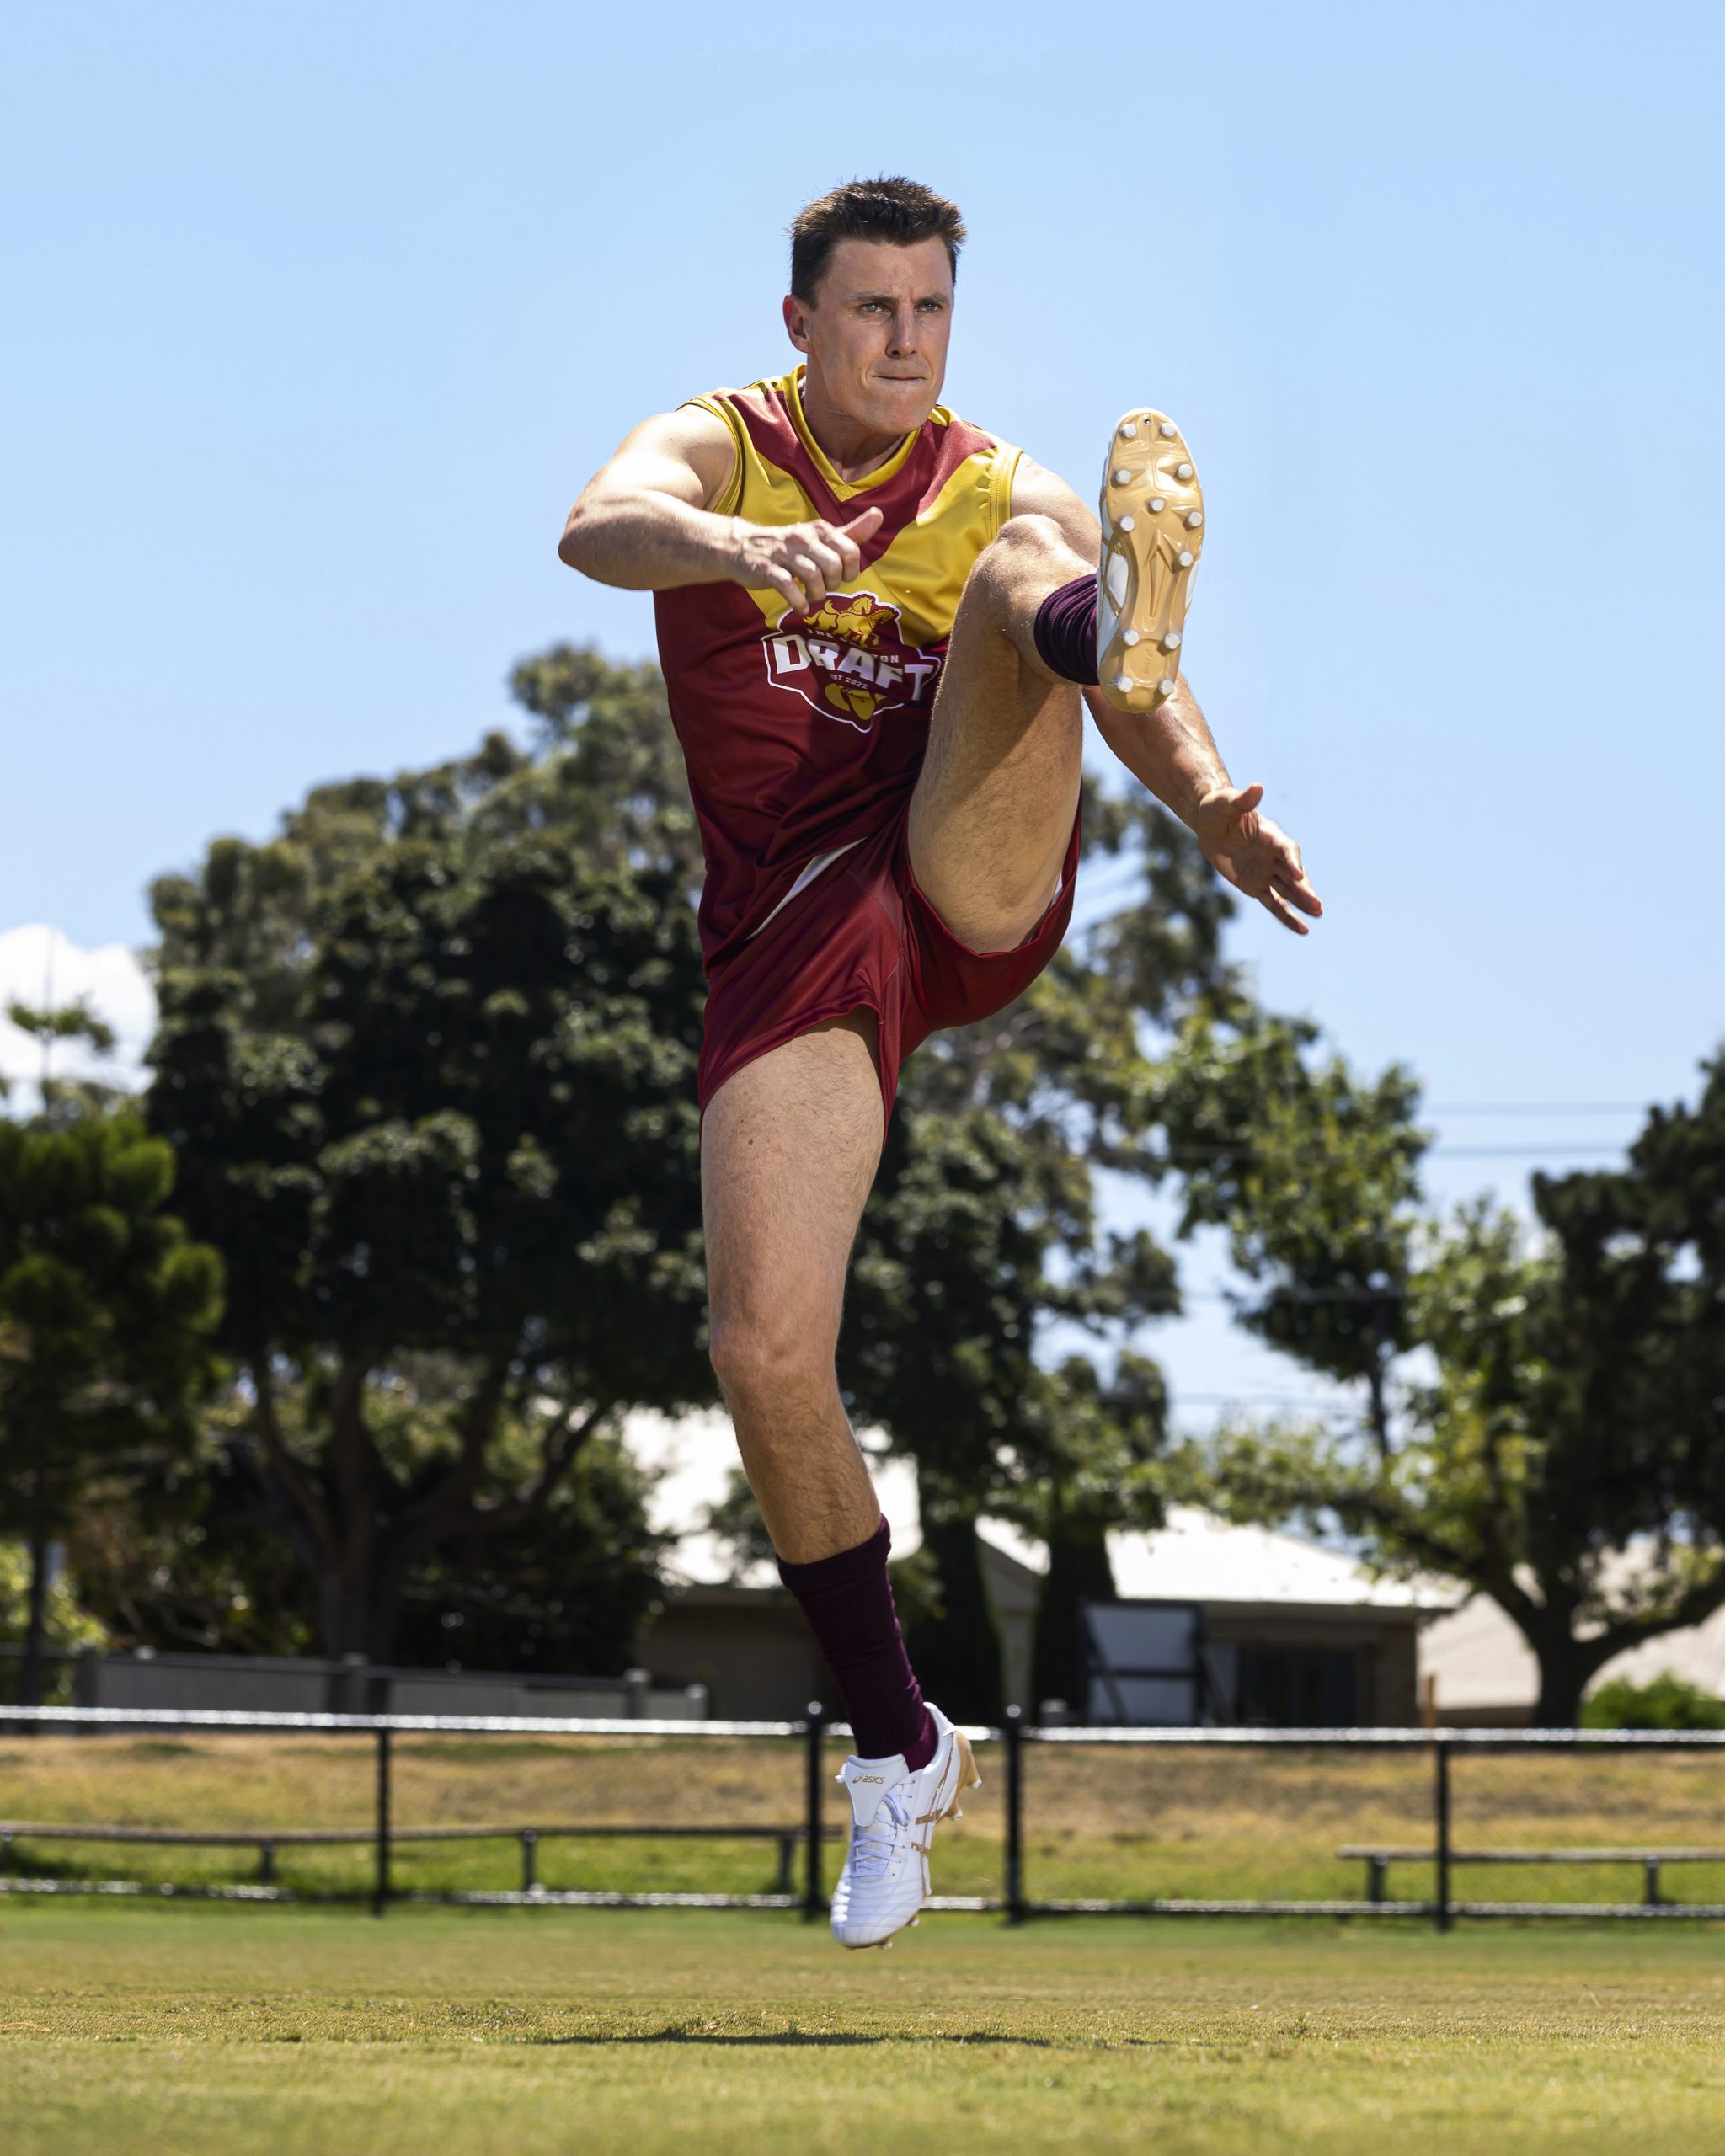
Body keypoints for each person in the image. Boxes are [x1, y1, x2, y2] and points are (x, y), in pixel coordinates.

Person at [558, 176, 1321, 1948]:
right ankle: (902, 1749)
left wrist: (1208, 799)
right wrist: (733, 548)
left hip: (965, 868)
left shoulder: (991, 478)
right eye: (872, 310)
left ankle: (1099, 621)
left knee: (1024, 570)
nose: (906, 343)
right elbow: (597, 526)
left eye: (931, 311)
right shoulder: (724, 446)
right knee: (760, 1350)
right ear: (803, 322)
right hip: (795, 925)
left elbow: (1127, 676)